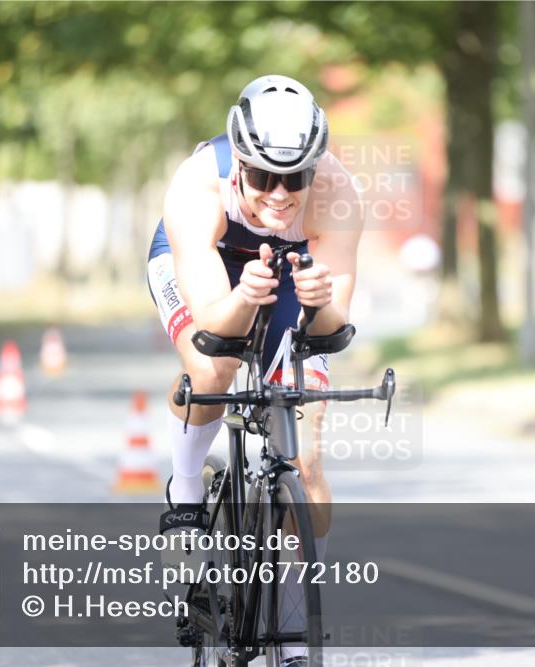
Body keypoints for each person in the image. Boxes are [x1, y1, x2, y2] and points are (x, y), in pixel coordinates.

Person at [148, 74, 361, 517]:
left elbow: (332, 328)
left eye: (295, 177)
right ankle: (185, 488)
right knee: (213, 368)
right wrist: (245, 296)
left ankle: (303, 565)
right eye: (264, 177)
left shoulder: (337, 192)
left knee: (306, 458)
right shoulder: (198, 184)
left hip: (287, 268)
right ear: (240, 166)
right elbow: (212, 323)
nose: (280, 194)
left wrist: (319, 302)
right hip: (207, 261)